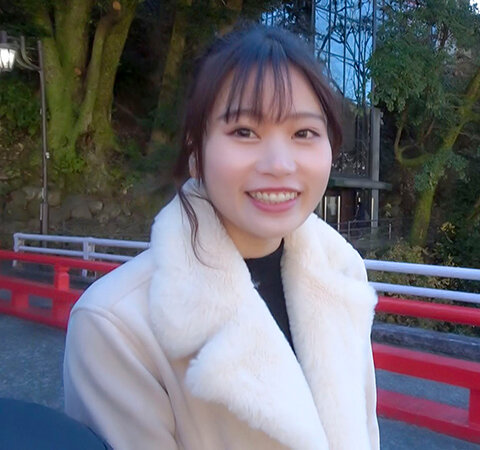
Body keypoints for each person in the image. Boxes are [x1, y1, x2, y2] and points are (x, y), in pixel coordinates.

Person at [62, 25, 380, 450]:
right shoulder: (117, 326)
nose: (280, 164)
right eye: (244, 131)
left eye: (303, 133)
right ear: (196, 150)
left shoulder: (342, 273)